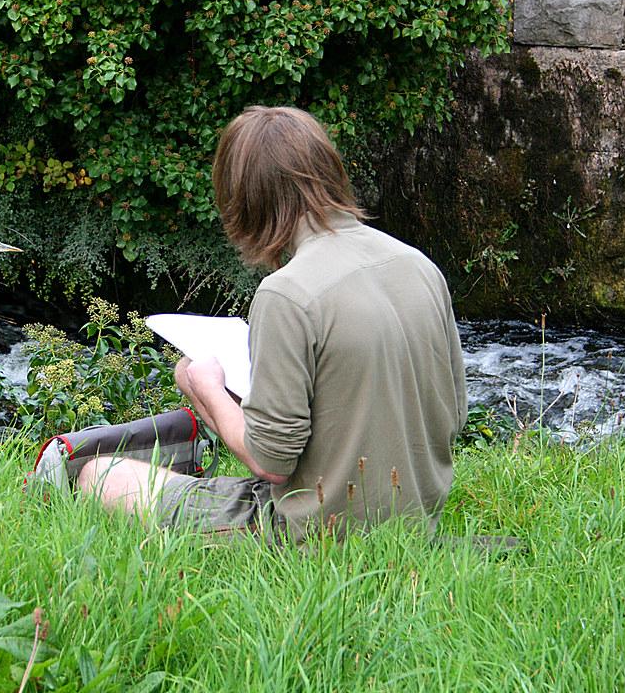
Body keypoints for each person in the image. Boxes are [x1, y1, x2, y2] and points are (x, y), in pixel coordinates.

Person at [76, 105, 468, 543]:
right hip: (415, 520)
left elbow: (270, 464)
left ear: (246, 199)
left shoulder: (287, 294)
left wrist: (204, 386)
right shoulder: (419, 266)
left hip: (317, 533)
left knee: (99, 474)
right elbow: (452, 416)